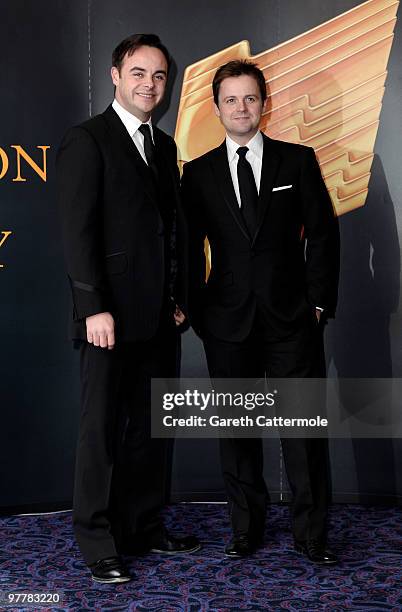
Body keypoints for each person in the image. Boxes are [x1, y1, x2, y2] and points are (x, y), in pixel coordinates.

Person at [181, 60, 339, 564]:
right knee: (237, 433)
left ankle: (312, 535)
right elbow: (187, 248)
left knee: (302, 434)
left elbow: (323, 235)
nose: (241, 108)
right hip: (227, 322)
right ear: (217, 107)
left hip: (292, 319)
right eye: (231, 99)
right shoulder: (198, 172)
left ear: (264, 103)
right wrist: (195, 309)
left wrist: (317, 302)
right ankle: (244, 529)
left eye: (250, 98)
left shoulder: (298, 160)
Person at [57, 33, 199, 584]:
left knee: (149, 428)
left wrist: (179, 299)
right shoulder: (86, 139)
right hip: (107, 320)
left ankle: (141, 525)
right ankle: (97, 540)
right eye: (139, 73)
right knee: (101, 431)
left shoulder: (163, 147)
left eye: (159, 76)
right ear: (115, 76)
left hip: (158, 316)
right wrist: (92, 307)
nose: (150, 85)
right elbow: (78, 231)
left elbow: (171, 232)